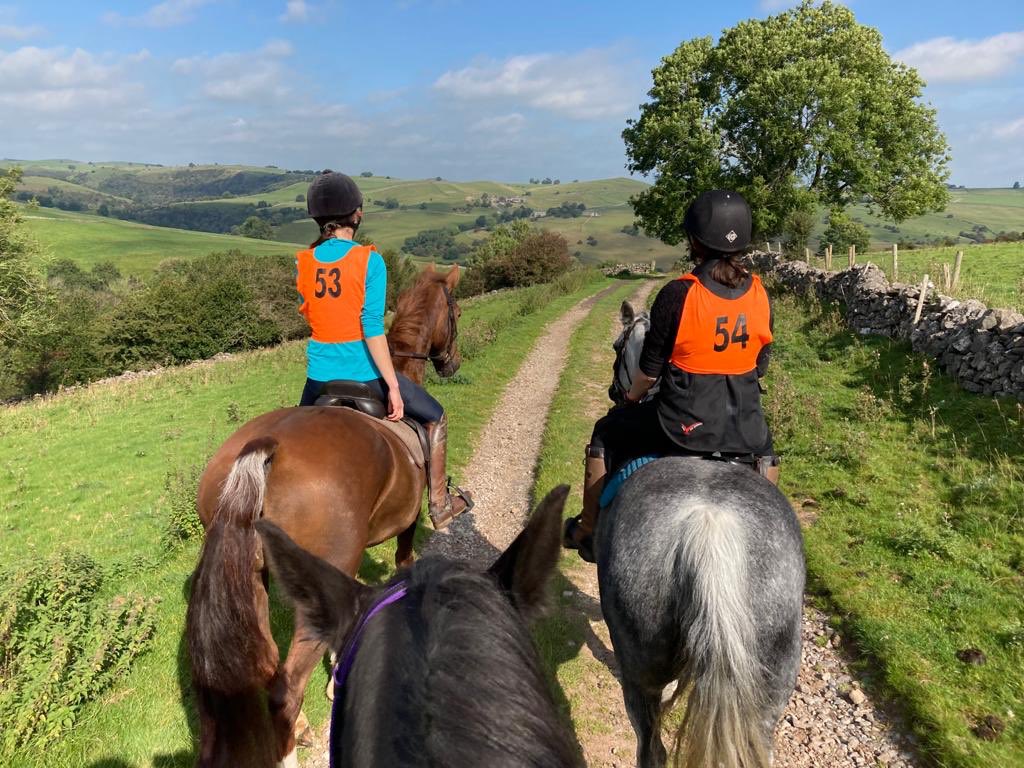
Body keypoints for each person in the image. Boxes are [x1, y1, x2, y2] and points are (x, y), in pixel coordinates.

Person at [564, 189, 778, 562]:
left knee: (605, 430)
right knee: (769, 453)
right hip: (744, 426)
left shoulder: (679, 293)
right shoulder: (759, 293)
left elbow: (649, 373)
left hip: (680, 427)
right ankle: (770, 544)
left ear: (694, 241)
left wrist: (630, 399)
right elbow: (759, 366)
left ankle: (588, 529)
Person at [295, 170, 472, 529]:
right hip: (363, 374)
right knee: (436, 415)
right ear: (356, 215)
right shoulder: (369, 261)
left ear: (317, 218)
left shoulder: (304, 262)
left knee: (296, 435)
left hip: (318, 379)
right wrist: (392, 385)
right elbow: (372, 329)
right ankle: (440, 504)